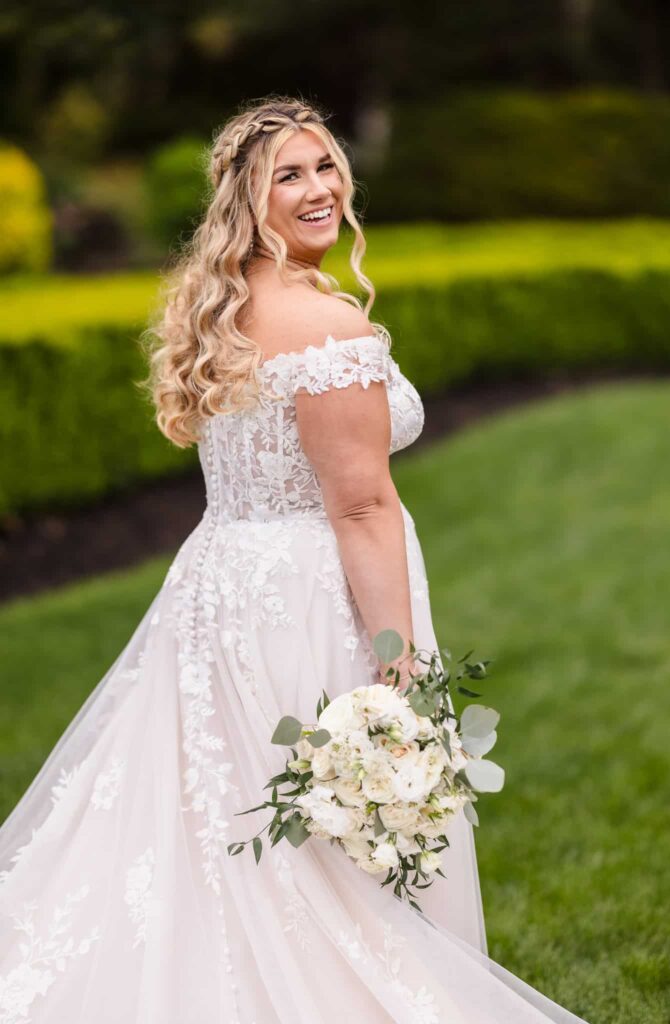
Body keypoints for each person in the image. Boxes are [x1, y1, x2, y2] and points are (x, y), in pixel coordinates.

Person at [0, 95, 590, 1023]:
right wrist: (397, 664)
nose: (318, 189)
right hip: (310, 594)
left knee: (217, 820)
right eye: (290, 176)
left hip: (218, 586)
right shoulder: (328, 331)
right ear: (249, 199)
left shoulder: (227, 303)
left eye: (325, 167)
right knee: (325, 828)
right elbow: (358, 505)